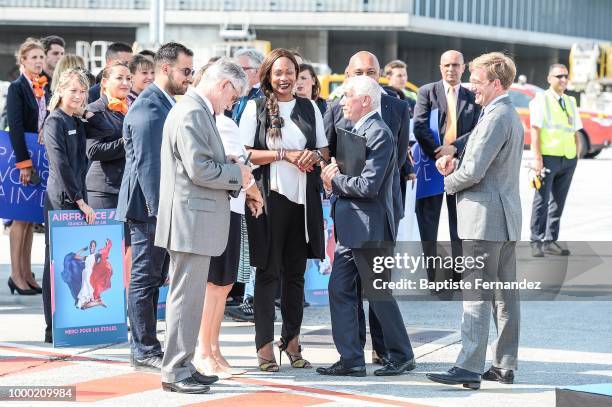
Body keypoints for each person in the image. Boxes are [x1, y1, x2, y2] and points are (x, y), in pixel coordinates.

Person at [154, 58, 255, 394]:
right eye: (234, 97)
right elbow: (199, 169)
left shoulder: (196, 110)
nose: (232, 103)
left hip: (194, 218)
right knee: (185, 298)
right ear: (224, 85)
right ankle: (176, 369)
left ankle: (183, 364)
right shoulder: (194, 112)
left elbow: (199, 163)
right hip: (190, 219)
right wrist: (235, 174)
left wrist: (225, 164)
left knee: (191, 297)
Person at [427, 52, 522, 390]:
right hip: (503, 218)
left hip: (484, 220)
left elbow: (475, 171)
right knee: (503, 296)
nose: (472, 87)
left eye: (478, 82)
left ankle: (468, 366)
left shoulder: (496, 116)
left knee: (476, 296)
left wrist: (448, 182)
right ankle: (503, 365)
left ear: (496, 83)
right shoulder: (503, 112)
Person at [317, 75, 415, 377]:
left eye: (348, 95)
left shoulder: (379, 133)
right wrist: (334, 183)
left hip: (370, 229)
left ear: (366, 101)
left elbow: (368, 185)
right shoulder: (355, 128)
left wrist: (333, 180)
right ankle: (351, 358)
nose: (342, 101)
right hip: (351, 228)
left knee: (378, 294)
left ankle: (401, 355)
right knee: (340, 290)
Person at [240, 48, 329, 372]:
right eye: (278, 72)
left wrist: (311, 157)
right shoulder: (256, 107)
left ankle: (291, 341)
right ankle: (264, 347)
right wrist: (284, 155)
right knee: (267, 274)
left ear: (297, 74)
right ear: (268, 75)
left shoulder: (310, 108)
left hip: (302, 201)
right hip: (267, 200)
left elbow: (323, 149)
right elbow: (244, 153)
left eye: (289, 72)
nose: (284, 78)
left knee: (295, 276)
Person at [115, 42, 194, 372]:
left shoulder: (163, 103)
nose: (190, 77)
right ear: (166, 69)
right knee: (144, 278)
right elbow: (149, 168)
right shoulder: (150, 109)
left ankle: (148, 344)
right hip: (149, 209)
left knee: (153, 278)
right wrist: (162, 214)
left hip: (157, 208)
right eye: (185, 71)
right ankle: (143, 347)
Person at [191, 63, 262, 378]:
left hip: (230, 209)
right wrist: (252, 189)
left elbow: (241, 165)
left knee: (224, 284)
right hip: (216, 210)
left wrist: (250, 189)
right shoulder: (206, 120)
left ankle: (212, 346)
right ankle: (202, 349)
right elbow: (237, 167)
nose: (232, 103)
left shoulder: (221, 121)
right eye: (232, 96)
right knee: (213, 285)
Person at [413, 50, 481, 283]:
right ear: (440, 67)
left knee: (460, 224)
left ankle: (458, 277)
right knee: (428, 223)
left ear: (463, 68)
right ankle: (431, 277)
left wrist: (453, 149)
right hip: (432, 168)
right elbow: (420, 126)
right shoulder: (427, 92)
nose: (451, 69)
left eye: (455, 65)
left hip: (460, 166)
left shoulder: (472, 96)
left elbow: (478, 130)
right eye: (446, 65)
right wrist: (438, 153)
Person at [42, 68, 96, 342]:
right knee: (55, 263)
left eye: (83, 91)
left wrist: (87, 114)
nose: (78, 96)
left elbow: (106, 130)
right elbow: (61, 166)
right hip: (61, 200)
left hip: (77, 197)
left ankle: (71, 322)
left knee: (76, 263)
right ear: (61, 90)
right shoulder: (55, 122)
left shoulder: (77, 120)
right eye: (73, 90)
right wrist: (79, 200)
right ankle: (53, 327)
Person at [5, 38, 50, 297]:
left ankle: (26, 274)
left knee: (30, 220)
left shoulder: (43, 88)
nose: (38, 61)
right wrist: (24, 162)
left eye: (40, 57)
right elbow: (17, 127)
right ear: (23, 61)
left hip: (39, 156)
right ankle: (16, 275)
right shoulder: (17, 87)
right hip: (23, 158)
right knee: (19, 220)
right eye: (33, 57)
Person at [529, 63, 582, 257]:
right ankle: (536, 240)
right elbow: (535, 131)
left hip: (568, 159)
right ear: (549, 79)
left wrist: (576, 155)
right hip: (548, 158)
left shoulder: (570, 101)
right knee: (541, 200)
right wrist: (537, 159)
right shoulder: (541, 99)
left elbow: (575, 130)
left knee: (558, 202)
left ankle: (551, 240)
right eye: (559, 76)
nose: (563, 79)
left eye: (565, 76)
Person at [85, 61, 131, 211]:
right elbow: (93, 151)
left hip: (126, 186)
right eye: (119, 78)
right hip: (104, 190)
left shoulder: (132, 108)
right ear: (104, 82)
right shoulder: (95, 109)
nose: (125, 83)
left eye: (129, 78)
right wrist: (128, 142)